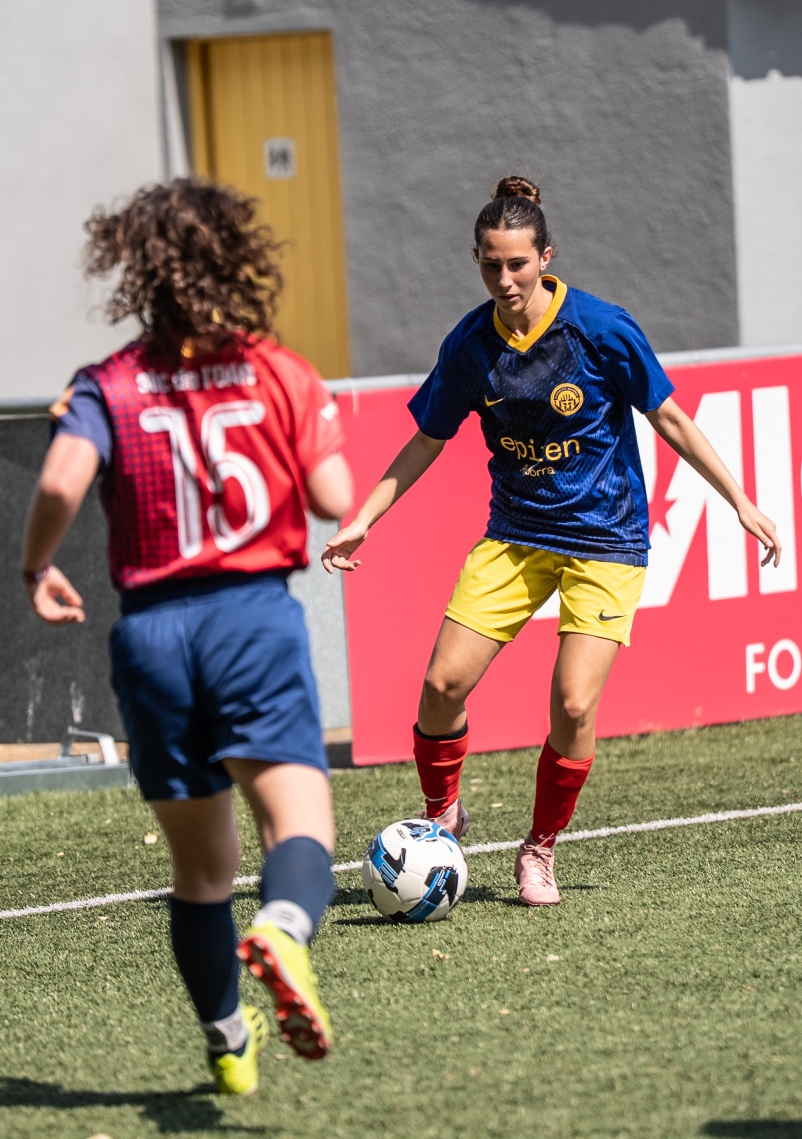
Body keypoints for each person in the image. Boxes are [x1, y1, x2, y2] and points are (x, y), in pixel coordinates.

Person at [322, 174, 781, 908]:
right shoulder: (470, 344)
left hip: (607, 539)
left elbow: (670, 418)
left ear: (546, 257)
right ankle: (443, 814)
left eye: (517, 264)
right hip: (516, 535)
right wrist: (364, 517)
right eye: (490, 265)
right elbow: (427, 440)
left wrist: (740, 500)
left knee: (571, 706)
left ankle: (539, 848)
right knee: (441, 687)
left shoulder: (601, 328)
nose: (504, 280)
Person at [22, 179, 353, 1094]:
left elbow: (57, 484)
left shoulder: (107, 382)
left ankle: (228, 1043)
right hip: (251, 619)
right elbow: (333, 497)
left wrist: (36, 567)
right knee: (300, 824)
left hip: (153, 637)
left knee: (201, 872)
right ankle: (283, 929)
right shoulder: (277, 369)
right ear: (240, 261)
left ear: (138, 272)